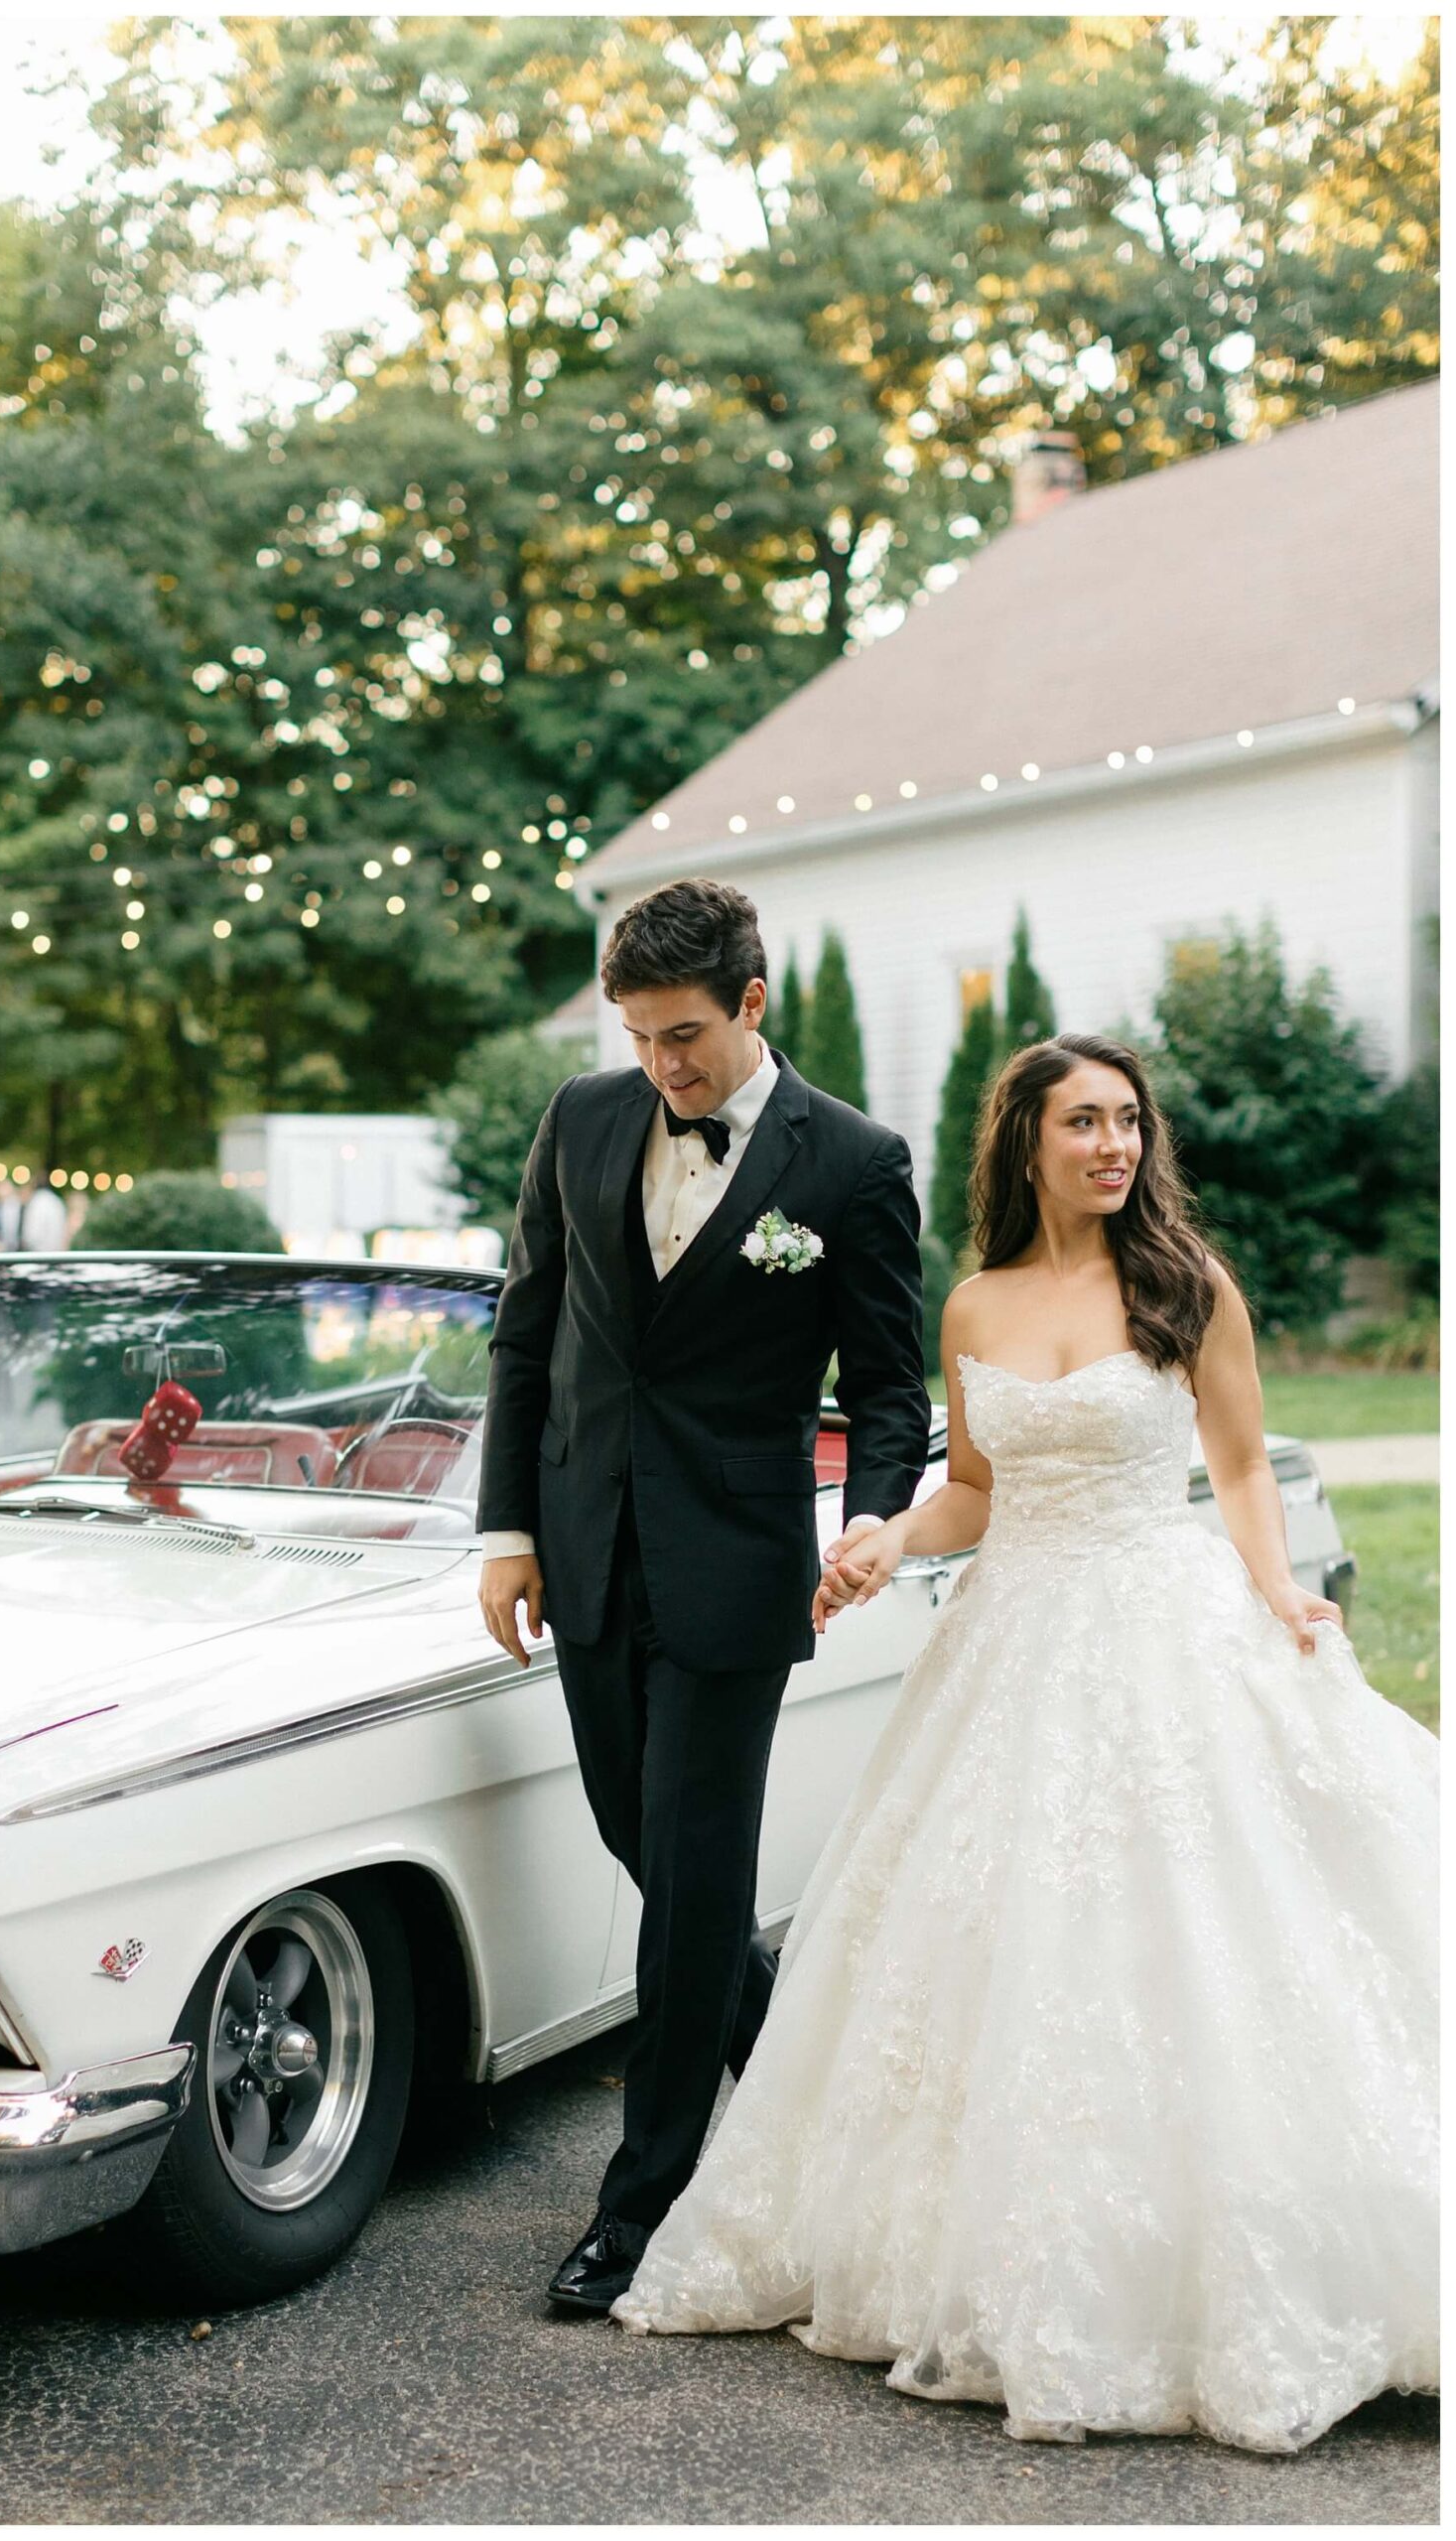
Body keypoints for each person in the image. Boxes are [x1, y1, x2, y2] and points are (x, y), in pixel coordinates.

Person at [611, 1032, 1438, 2454]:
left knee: (1192, 1932)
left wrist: (1276, 1585)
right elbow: (977, 1489)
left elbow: (1237, 1464)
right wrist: (884, 1534)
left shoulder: (1185, 1284)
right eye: (1083, 1124)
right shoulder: (977, 1304)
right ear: (1028, 1144)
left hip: (1161, 1621)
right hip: (1008, 1644)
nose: (1113, 1147)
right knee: (990, 1948)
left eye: (1127, 1122)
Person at [476, 877, 927, 2314]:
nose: (660, 1067)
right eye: (638, 1039)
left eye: (682, 1036)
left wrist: (868, 1522)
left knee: (689, 1865)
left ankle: (642, 2205)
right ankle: (798, 2057)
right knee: (652, 1849)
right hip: (584, 1542)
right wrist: (504, 1532)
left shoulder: (851, 1161)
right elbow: (523, 1338)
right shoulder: (582, 1119)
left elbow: (891, 1386)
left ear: (748, 1004)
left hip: (735, 1567)